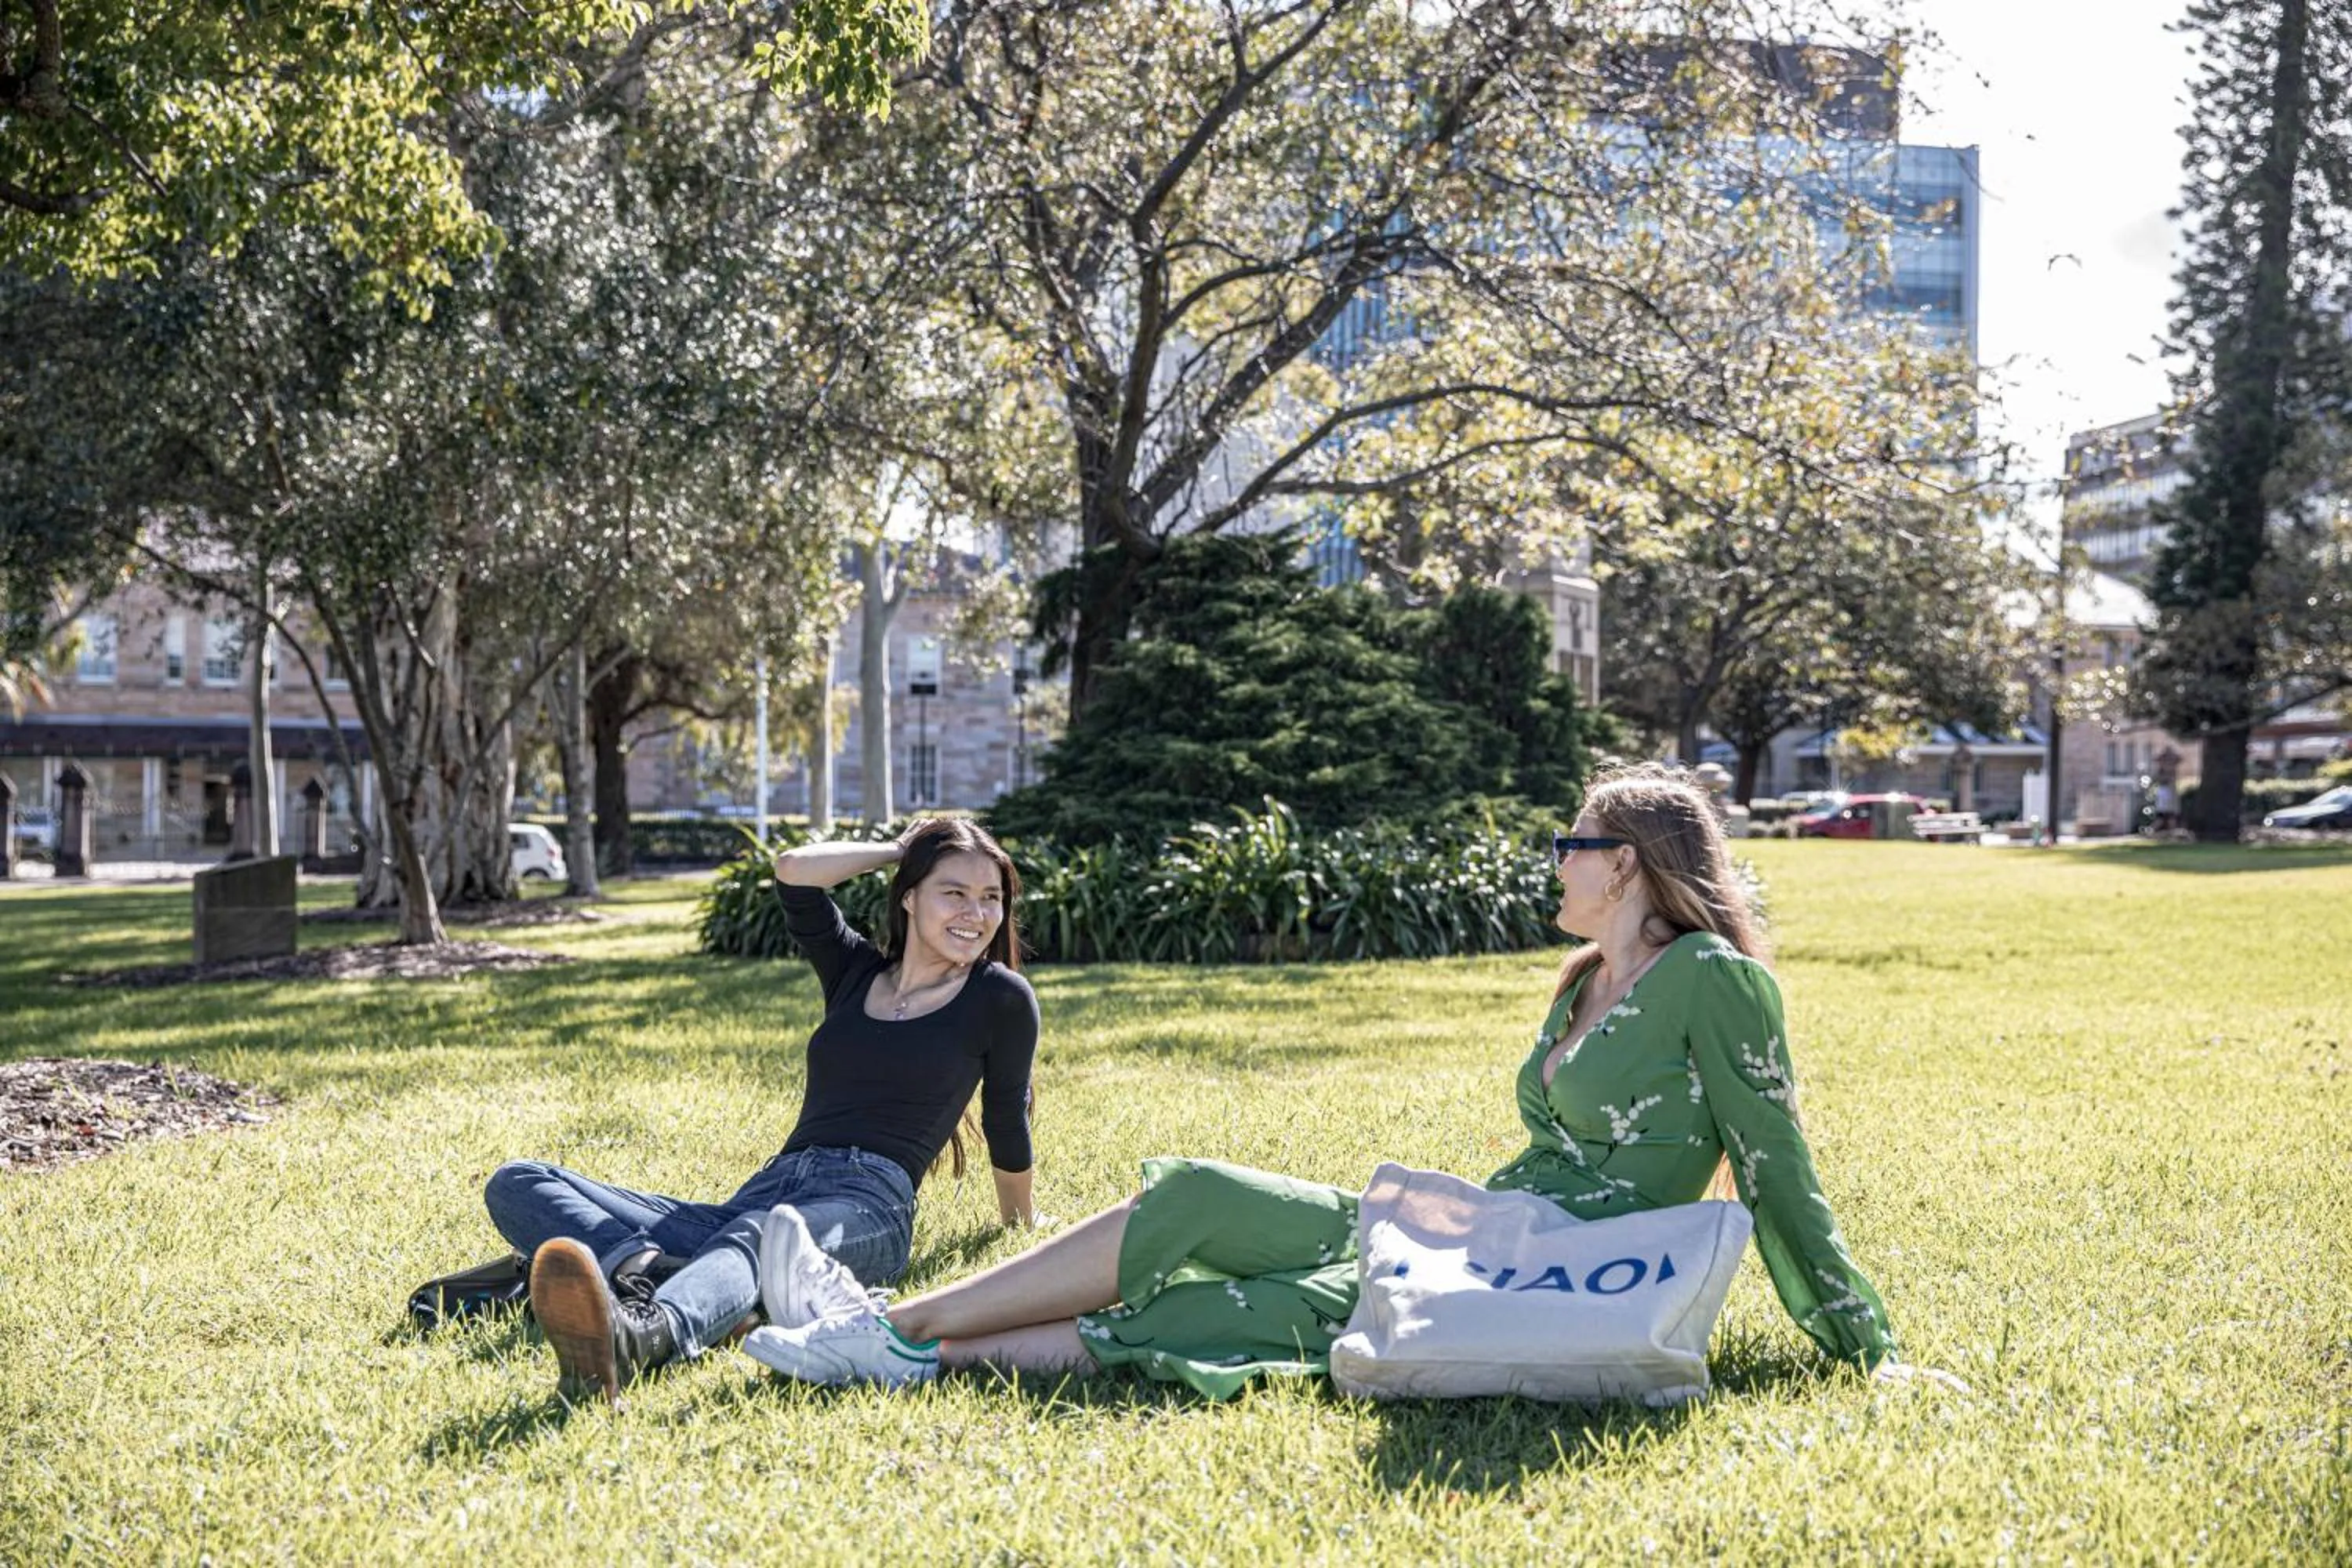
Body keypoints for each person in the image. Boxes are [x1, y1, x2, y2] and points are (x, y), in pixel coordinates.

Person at [744, 766, 1962, 1396]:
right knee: (1204, 1196)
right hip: (1487, 1219)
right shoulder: (1581, 976)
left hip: (1550, 1261)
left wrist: (1864, 1346)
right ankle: (881, 1329)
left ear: (1631, 865)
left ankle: (899, 1348)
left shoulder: (1711, 980)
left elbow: (1777, 1167)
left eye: (1573, 843)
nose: (1558, 859)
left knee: (1280, 1306)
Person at [480, 818, 1041, 1404]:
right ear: (909, 897)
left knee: (760, 1237)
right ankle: (653, 1276)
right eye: (954, 892)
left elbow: (1005, 1117)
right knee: (518, 1181)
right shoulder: (856, 973)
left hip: (868, 1204)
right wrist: (903, 849)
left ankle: (645, 1334)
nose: (975, 914)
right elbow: (795, 873)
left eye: (990, 899)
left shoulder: (998, 997)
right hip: (767, 1187)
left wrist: (1019, 1223)